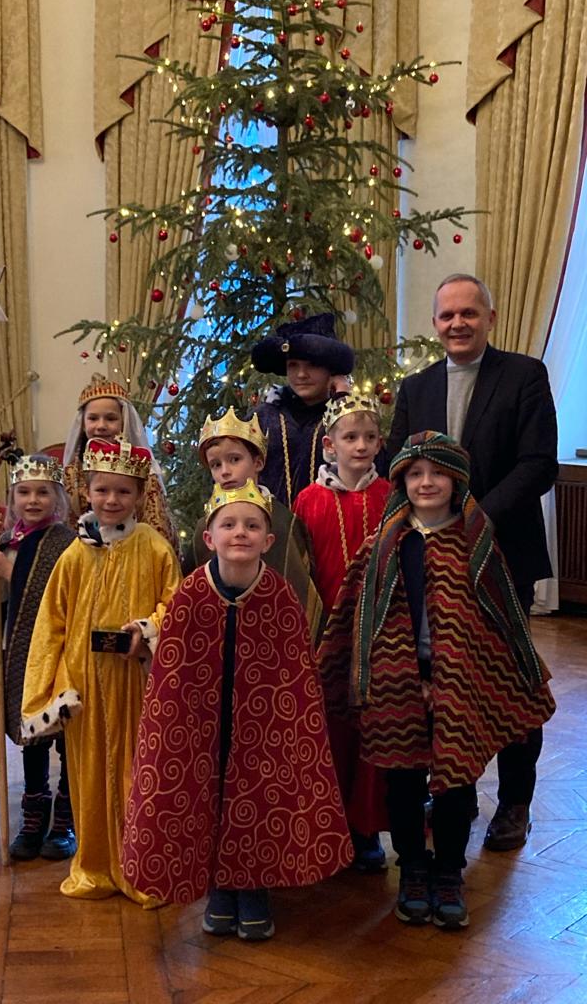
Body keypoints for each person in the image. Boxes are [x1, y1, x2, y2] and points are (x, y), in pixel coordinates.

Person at [320, 431, 556, 929]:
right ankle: (412, 868)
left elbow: (496, 623)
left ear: (457, 482)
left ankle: (449, 871)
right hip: (396, 684)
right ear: (401, 482)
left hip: (460, 684)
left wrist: (468, 679)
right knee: (402, 780)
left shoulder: (477, 546)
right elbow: (355, 620)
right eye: (414, 474)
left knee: (456, 782)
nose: (426, 482)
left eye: (438, 473)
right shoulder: (382, 547)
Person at [122, 480, 353, 940]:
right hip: (200, 729)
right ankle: (219, 888)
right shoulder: (189, 596)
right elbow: (171, 676)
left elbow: (296, 676)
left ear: (268, 540)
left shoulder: (281, 597)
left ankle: (253, 887)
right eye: (229, 525)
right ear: (209, 538)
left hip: (262, 730)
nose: (240, 533)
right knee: (205, 797)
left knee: (257, 798)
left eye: (252, 525)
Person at [387, 274, 559, 851]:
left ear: (490, 317)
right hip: (429, 558)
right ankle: (448, 791)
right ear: (435, 324)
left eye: (468, 313)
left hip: (503, 556)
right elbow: (396, 467)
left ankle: (514, 802)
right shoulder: (415, 388)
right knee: (440, 678)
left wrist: (475, 518)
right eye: (447, 315)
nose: (457, 323)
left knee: (509, 681)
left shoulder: (525, 375)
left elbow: (539, 464)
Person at [20, 438, 181, 904]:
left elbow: (176, 605)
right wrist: (46, 692)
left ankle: (140, 867)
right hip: (85, 684)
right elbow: (50, 626)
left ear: (140, 495)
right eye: (102, 490)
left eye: (123, 491)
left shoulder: (154, 548)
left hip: (136, 684)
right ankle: (94, 866)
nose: (112, 500)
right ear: (86, 491)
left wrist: (149, 629)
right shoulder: (73, 555)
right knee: (89, 778)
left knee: (138, 774)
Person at [293, 390, 391, 870]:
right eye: (351, 437)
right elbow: (300, 569)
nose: (361, 445)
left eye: (370, 436)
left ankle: (365, 826)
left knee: (369, 729)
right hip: (326, 633)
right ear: (330, 444)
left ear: (380, 443)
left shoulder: (389, 496)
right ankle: (326, 824)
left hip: (376, 634)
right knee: (329, 728)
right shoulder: (308, 500)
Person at [0, 454, 77, 860]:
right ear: (12, 499)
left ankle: (65, 818)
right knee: (32, 736)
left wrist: (13, 574)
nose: (33, 500)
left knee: (64, 737)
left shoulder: (66, 542)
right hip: (21, 654)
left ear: (58, 498)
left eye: (42, 492)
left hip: (59, 655)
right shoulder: (10, 540)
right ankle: (33, 815)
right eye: (24, 492)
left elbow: (64, 595)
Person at [183, 406, 324, 645]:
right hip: (217, 644)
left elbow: (300, 595)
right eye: (215, 465)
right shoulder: (204, 528)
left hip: (275, 644)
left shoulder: (283, 524)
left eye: (235, 459)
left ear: (258, 462)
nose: (225, 472)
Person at [62, 373, 178, 552]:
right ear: (83, 424)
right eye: (93, 418)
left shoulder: (142, 469)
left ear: (124, 421)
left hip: (135, 553)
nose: (101, 426)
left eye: (110, 419)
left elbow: (158, 530)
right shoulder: (71, 473)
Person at [250, 313, 354, 506]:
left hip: (331, 519)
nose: (301, 374)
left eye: (312, 365)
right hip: (271, 522)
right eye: (293, 365)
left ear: (330, 369)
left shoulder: (346, 418)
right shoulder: (263, 417)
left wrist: (342, 398)